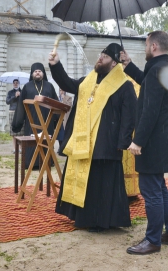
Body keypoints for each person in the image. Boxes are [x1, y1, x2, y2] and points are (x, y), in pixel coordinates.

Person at [48, 43, 136, 232]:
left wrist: (122, 142)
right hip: (85, 141)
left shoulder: (124, 85)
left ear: (114, 63)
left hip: (107, 144)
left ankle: (104, 221)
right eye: (100, 54)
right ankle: (82, 218)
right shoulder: (89, 80)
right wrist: (56, 65)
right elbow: (67, 83)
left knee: (103, 184)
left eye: (104, 56)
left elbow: (130, 116)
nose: (100, 58)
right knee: (87, 182)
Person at [121, 31, 168, 255]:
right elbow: (147, 85)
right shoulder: (166, 68)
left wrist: (138, 141)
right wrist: (128, 65)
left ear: (154, 46)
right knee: (159, 188)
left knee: (151, 191)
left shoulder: (157, 69)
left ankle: (153, 240)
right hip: (163, 139)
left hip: (153, 141)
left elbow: (150, 110)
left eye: (146, 45)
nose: (145, 48)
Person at [12, 63, 59, 167]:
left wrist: (57, 118)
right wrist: (18, 122)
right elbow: (21, 104)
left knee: (47, 140)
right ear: (32, 74)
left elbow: (55, 102)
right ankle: (31, 163)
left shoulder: (49, 86)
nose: (37, 73)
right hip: (31, 119)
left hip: (47, 119)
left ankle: (47, 162)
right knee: (31, 141)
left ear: (43, 73)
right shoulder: (27, 87)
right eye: (35, 71)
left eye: (39, 71)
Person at [6, 79, 22, 152]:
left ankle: (21, 148)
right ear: (13, 84)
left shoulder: (22, 91)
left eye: (17, 83)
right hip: (12, 111)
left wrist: (20, 96)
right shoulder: (10, 92)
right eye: (14, 83)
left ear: (19, 84)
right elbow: (7, 102)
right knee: (13, 131)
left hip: (20, 111)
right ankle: (15, 148)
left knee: (21, 131)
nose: (15, 84)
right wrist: (14, 96)